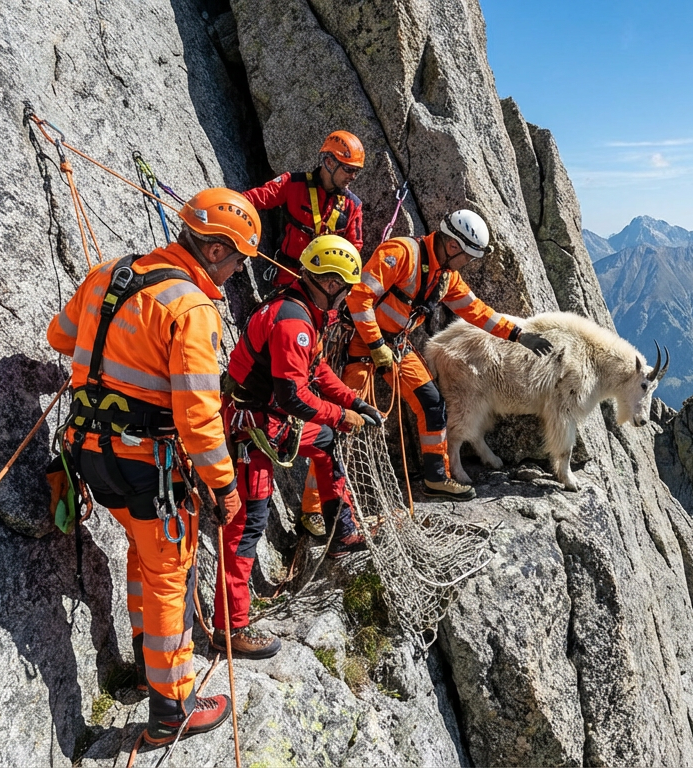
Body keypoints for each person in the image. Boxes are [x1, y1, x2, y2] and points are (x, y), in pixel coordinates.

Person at [46, 188, 257, 745]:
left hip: (88, 455)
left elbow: (60, 336)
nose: (237, 271)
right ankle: (174, 706)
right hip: (148, 464)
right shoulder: (191, 308)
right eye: (238, 259)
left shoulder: (108, 273)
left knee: (143, 553)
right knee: (169, 573)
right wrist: (224, 485)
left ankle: (146, 664)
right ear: (215, 250)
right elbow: (198, 415)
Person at [219, 234, 384, 656]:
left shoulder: (301, 307)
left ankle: (340, 530)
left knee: (325, 442)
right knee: (247, 525)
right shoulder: (295, 321)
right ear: (330, 283)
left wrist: (352, 400)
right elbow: (293, 395)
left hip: (265, 420)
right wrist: (339, 415)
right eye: (345, 287)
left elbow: (317, 369)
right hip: (248, 429)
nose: (347, 296)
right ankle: (230, 627)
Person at [343, 209, 554, 501]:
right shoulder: (401, 252)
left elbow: (478, 312)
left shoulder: (446, 278)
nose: (467, 263)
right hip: (360, 343)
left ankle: (437, 478)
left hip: (395, 346)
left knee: (432, 405)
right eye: (467, 255)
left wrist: (519, 335)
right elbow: (359, 297)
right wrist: (376, 344)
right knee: (347, 419)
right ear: (453, 245)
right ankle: (318, 508)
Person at [242, 131, 365, 288]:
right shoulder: (293, 184)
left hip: (324, 287)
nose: (353, 176)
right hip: (288, 276)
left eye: (357, 171)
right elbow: (253, 199)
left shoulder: (353, 206)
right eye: (348, 169)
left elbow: (354, 250)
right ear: (329, 162)